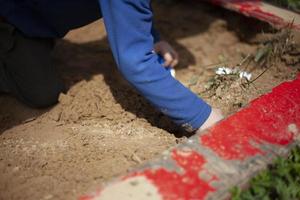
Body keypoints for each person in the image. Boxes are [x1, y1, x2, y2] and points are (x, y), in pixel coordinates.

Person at [0, 0, 223, 133]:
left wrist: (152, 37)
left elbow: (129, 8)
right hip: (11, 15)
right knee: (42, 93)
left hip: (39, 16)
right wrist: (204, 118)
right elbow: (135, 62)